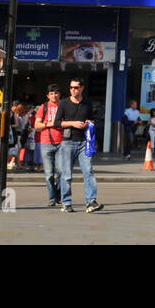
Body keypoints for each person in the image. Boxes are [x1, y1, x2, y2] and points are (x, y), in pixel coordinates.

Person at [56, 77, 102, 213]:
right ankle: (66, 202)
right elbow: (57, 123)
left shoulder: (87, 104)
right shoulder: (64, 103)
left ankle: (91, 202)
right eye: (71, 87)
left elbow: (92, 119)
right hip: (68, 142)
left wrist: (89, 123)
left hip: (84, 142)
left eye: (75, 87)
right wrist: (72, 123)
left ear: (81, 88)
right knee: (66, 174)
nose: (73, 90)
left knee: (88, 172)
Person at [34, 84, 64, 205]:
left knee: (62, 171)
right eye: (51, 93)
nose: (54, 95)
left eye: (56, 93)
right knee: (49, 174)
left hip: (62, 143)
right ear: (48, 95)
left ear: (59, 94)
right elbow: (37, 126)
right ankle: (52, 198)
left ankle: (59, 195)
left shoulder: (64, 106)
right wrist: (49, 124)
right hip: (46, 143)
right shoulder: (43, 107)